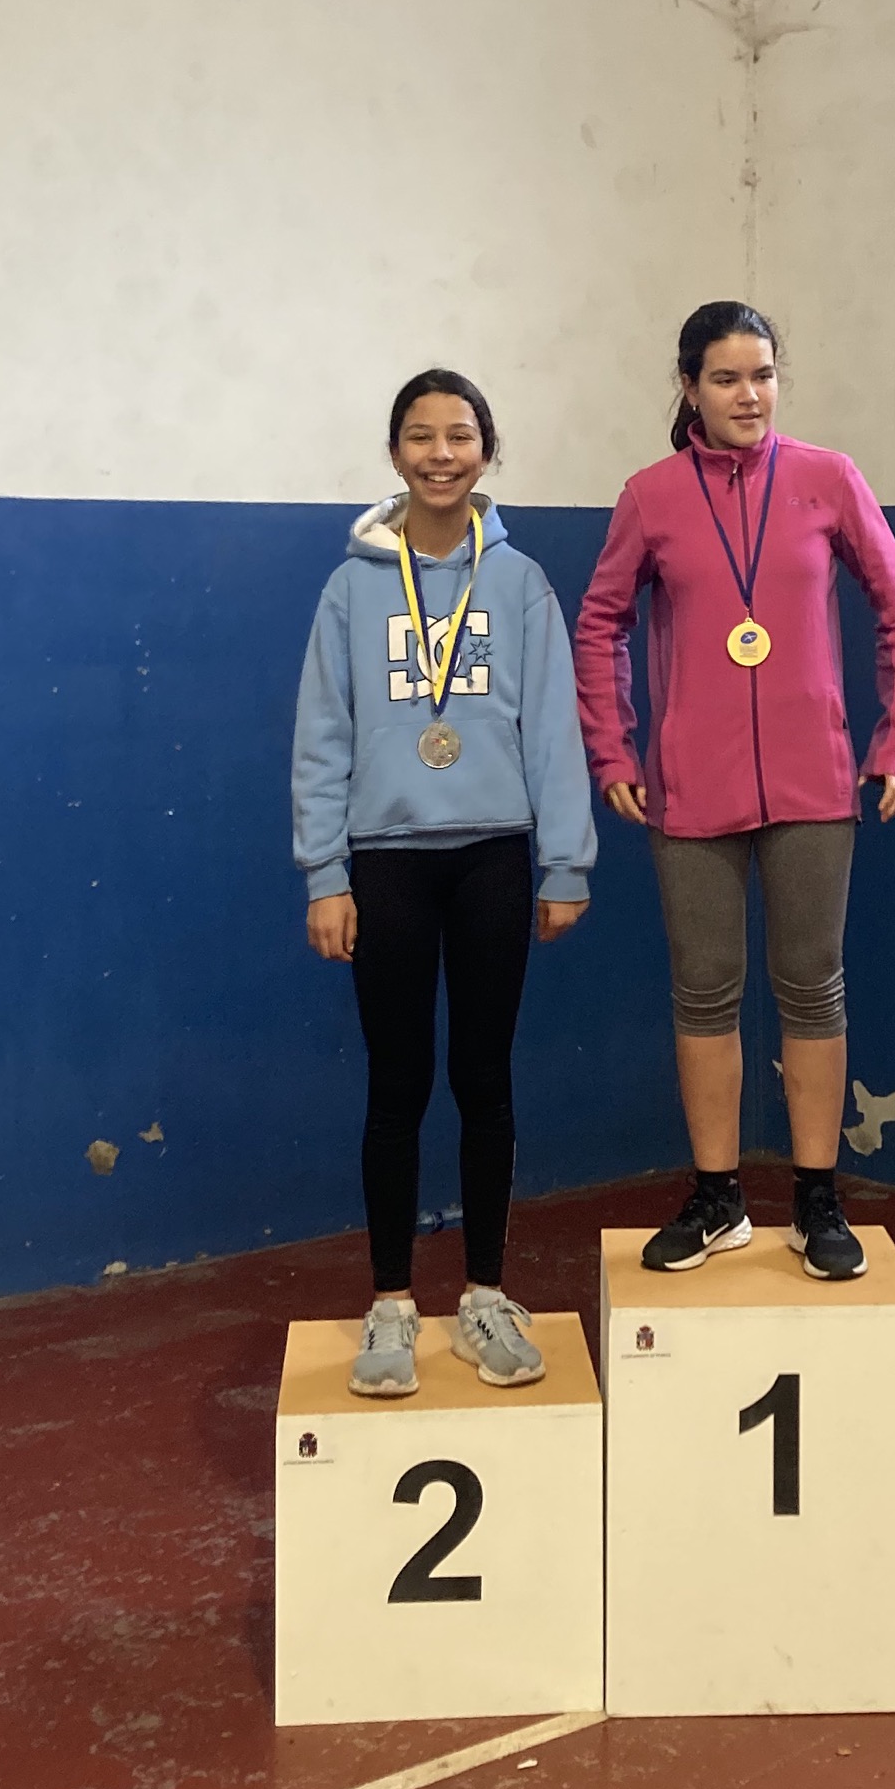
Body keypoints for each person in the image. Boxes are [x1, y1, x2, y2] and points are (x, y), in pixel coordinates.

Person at [574, 300, 895, 1283]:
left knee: (813, 986)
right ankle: (718, 1196)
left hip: (815, 783)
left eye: (763, 376)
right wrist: (615, 750)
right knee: (704, 991)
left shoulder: (828, 479)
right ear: (689, 388)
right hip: (691, 788)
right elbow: (600, 624)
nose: (749, 396)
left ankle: (817, 1199)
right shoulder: (650, 496)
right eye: (727, 378)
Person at [293, 370, 595, 1398]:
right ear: (395, 454)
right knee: (397, 1083)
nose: (440, 454)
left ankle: (485, 1296)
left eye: (459, 436)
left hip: (493, 858)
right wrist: (325, 873)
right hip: (386, 862)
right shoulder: (350, 590)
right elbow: (322, 736)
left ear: (485, 451)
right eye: (420, 437)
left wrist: (565, 861)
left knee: (484, 1079)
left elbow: (551, 728)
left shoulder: (519, 582)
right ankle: (390, 1303)